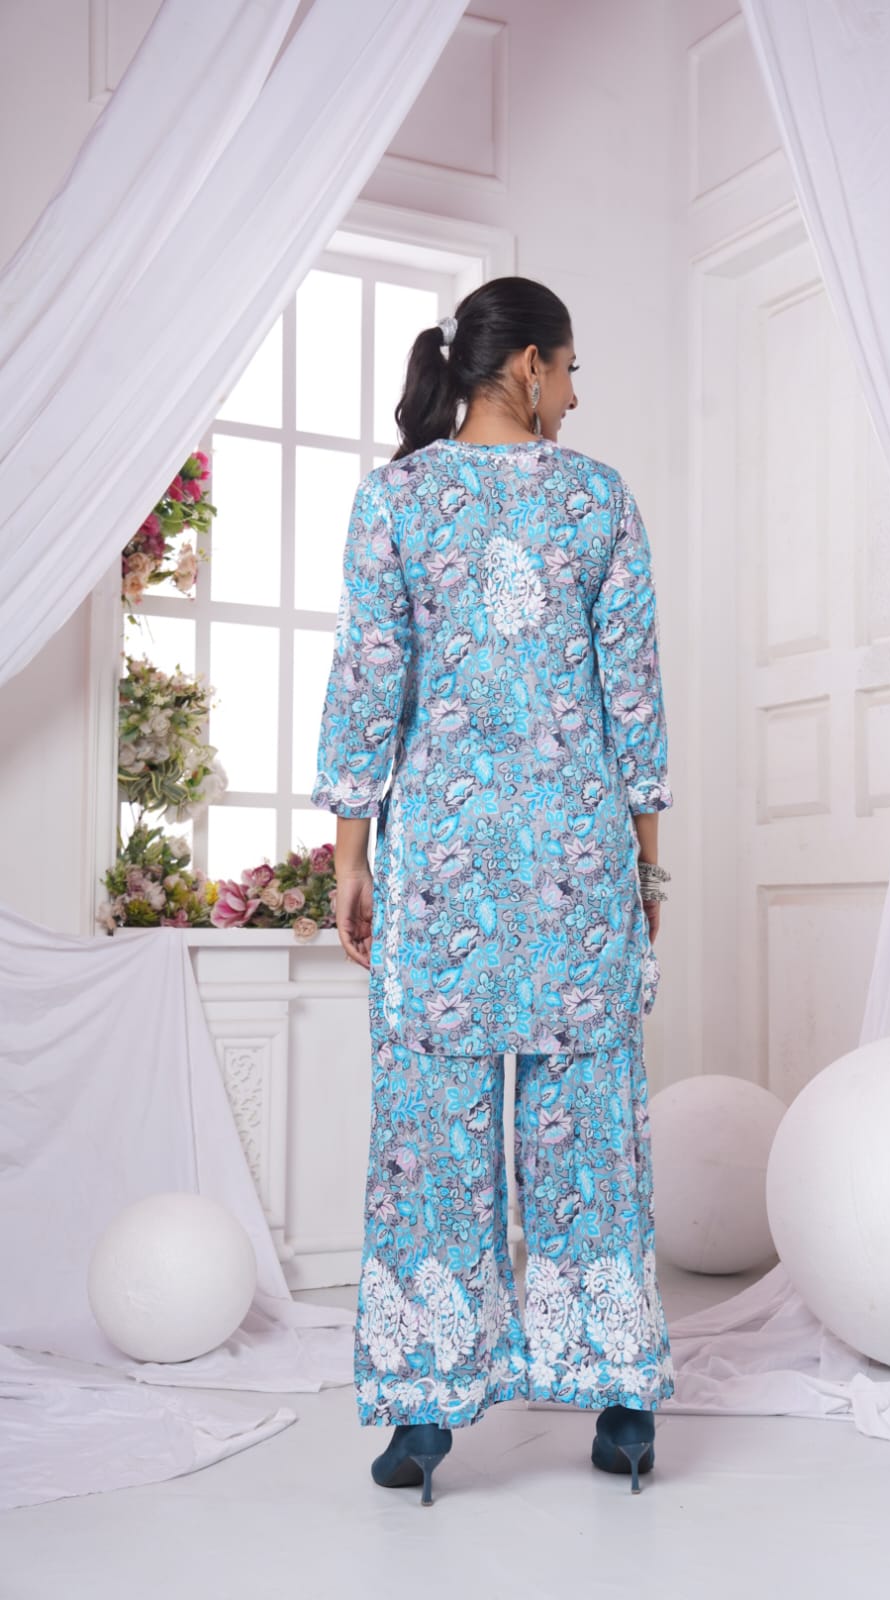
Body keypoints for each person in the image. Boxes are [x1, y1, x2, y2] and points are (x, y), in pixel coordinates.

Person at [312, 275, 675, 1505]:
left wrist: (350, 857)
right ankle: (619, 1401)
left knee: (429, 1129)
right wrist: (645, 865)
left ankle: (423, 1415)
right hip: (576, 863)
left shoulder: (395, 500)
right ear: (526, 365)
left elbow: (369, 680)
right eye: (569, 370)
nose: (573, 395)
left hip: (440, 875)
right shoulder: (598, 498)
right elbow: (632, 697)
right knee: (590, 1123)